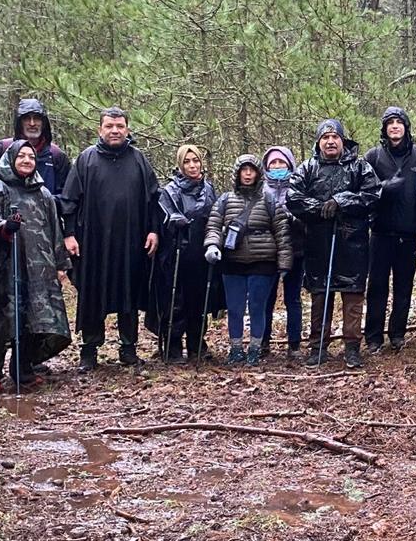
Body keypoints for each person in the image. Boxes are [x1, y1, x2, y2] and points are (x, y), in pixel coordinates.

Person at [60, 108, 160, 370]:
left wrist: (153, 230)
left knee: (129, 291)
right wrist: (69, 234)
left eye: (120, 126)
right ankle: (89, 350)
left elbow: (153, 199)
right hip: (93, 242)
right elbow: (69, 200)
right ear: (100, 130)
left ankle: (128, 348)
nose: (114, 130)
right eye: (109, 126)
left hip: (131, 240)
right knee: (93, 293)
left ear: (127, 129)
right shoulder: (86, 160)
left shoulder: (138, 159)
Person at [0, 142, 73, 388]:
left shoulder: (44, 194)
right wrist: (3, 227)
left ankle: (22, 367)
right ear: (11, 158)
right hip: (4, 266)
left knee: (34, 318)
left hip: (39, 267)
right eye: (22, 156)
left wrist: (60, 264)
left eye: (31, 157)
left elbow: (54, 230)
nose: (27, 160)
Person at [286, 119, 381, 368]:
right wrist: (318, 208)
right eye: (325, 137)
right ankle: (318, 346)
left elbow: (372, 195)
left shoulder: (360, 167)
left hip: (352, 243)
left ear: (342, 140)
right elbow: (293, 197)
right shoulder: (307, 168)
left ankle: (352, 347)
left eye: (335, 137)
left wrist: (341, 201)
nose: (330, 141)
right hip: (318, 242)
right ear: (319, 142)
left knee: (352, 297)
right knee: (320, 297)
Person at [204, 154, 292, 364]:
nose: (248, 174)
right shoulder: (224, 200)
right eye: (244, 170)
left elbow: (281, 232)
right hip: (232, 262)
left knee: (257, 307)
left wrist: (284, 262)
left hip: (263, 262)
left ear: (258, 173)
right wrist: (212, 245)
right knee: (234, 307)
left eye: (252, 170)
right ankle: (235, 348)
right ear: (237, 173)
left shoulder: (269, 201)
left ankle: (254, 348)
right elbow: (214, 225)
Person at [363, 107, 416, 351]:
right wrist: (382, 189)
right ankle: (373, 337)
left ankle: (397, 333)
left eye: (399, 122)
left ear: (406, 126)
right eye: (390, 123)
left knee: (404, 286)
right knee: (377, 286)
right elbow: (364, 192)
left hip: (409, 233)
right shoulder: (373, 156)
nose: (395, 127)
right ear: (384, 128)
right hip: (380, 233)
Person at [152, 144, 216, 361]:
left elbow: (215, 215)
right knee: (176, 301)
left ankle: (197, 344)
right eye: (187, 161)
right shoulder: (170, 190)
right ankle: (173, 346)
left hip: (201, 252)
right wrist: (173, 221)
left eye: (195, 160)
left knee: (199, 301)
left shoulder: (208, 189)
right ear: (180, 165)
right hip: (176, 253)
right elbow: (162, 217)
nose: (192, 165)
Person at [260, 146, 305, 359]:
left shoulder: (299, 188)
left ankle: (294, 344)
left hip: (296, 251)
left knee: (293, 299)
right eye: (273, 164)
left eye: (282, 163)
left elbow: (307, 217)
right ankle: (262, 341)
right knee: (265, 299)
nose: (278, 167)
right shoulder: (260, 192)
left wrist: (293, 220)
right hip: (268, 253)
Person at [0, 97, 71, 196]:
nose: (32, 123)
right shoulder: (0, 150)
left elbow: (66, 197)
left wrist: (42, 203)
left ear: (43, 123)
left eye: (37, 118)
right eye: (27, 118)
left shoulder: (57, 156)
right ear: (20, 122)